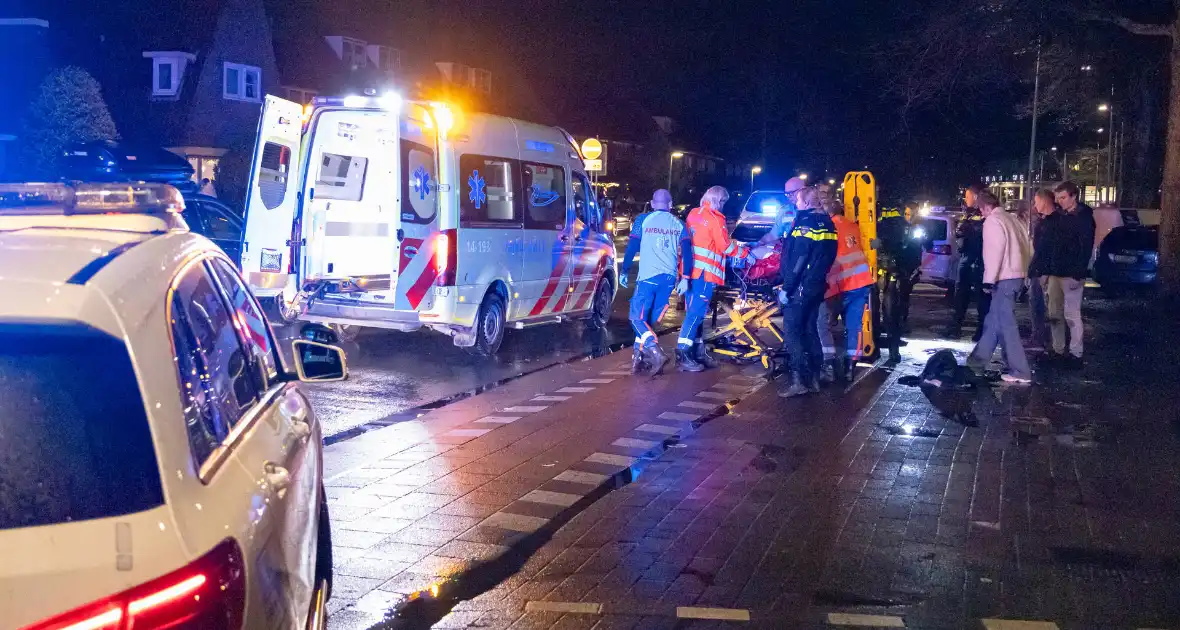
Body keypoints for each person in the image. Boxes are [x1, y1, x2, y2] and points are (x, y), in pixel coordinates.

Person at [677, 186, 752, 372]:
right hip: (705, 273)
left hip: (690, 272)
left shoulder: (694, 214)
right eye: (724, 202)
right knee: (696, 314)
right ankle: (683, 353)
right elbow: (725, 247)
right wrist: (745, 254)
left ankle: (698, 351)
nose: (724, 206)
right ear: (719, 201)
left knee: (695, 314)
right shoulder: (716, 219)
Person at [620, 189, 692, 375]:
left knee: (636, 318)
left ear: (652, 204)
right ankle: (638, 359)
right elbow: (688, 253)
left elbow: (632, 247)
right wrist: (686, 278)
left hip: (648, 278)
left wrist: (624, 270)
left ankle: (655, 352)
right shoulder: (679, 224)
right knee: (649, 321)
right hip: (669, 280)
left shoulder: (642, 220)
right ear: (670, 205)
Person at [966, 192, 1033, 384]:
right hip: (1016, 276)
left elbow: (994, 252)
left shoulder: (993, 222)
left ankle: (1020, 370)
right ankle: (976, 362)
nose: (981, 214)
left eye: (981, 210)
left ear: (984, 207)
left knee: (1006, 324)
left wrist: (988, 280)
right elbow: (1028, 248)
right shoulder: (1012, 219)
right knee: (994, 321)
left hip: (1004, 278)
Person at [778, 186, 838, 397]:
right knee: (811, 329)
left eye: (798, 199)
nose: (795, 202)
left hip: (801, 287)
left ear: (806, 202)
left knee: (793, 331)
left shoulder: (806, 223)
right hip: (817, 285)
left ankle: (798, 381)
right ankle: (814, 379)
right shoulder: (828, 223)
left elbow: (799, 258)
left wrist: (787, 288)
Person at [816, 197, 873, 384]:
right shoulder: (852, 225)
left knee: (822, 324)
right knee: (854, 328)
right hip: (861, 281)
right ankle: (850, 369)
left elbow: (826, 258)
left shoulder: (828, 228)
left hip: (840, 284)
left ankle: (829, 365)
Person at [1047, 181, 1096, 366]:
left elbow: (1085, 247)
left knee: (1072, 314)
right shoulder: (1060, 216)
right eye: (1058, 198)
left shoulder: (1084, 218)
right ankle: (1058, 349)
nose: (1060, 202)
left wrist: (1079, 272)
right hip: (1057, 271)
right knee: (1055, 312)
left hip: (1071, 273)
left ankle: (1076, 353)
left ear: (1073, 196)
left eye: (1063, 197)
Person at [875, 205, 916, 364]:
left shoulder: (881, 226)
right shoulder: (905, 228)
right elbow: (912, 253)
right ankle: (893, 352)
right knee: (892, 316)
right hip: (894, 276)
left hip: (884, 275)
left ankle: (881, 349)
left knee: (884, 315)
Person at [949, 184, 990, 340]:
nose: (965, 199)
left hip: (978, 259)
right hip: (966, 257)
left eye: (967, 196)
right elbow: (960, 232)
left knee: (981, 297)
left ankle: (981, 330)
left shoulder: (983, 214)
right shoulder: (968, 213)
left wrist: (967, 230)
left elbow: (979, 236)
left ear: (975, 197)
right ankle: (955, 327)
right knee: (960, 295)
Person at [1026, 189, 1059, 350]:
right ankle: (1039, 337)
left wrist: (1044, 271)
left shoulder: (1053, 224)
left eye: (1036, 201)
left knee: (1043, 307)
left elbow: (1048, 250)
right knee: (1037, 305)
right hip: (1038, 270)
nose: (1035, 205)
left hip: (1043, 271)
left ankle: (1043, 339)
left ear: (1044, 201)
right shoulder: (1044, 222)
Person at [757, 176, 807, 246]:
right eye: (787, 193)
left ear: (803, 190)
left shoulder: (818, 211)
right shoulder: (785, 210)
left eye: (792, 192)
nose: (789, 196)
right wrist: (758, 243)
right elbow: (773, 235)